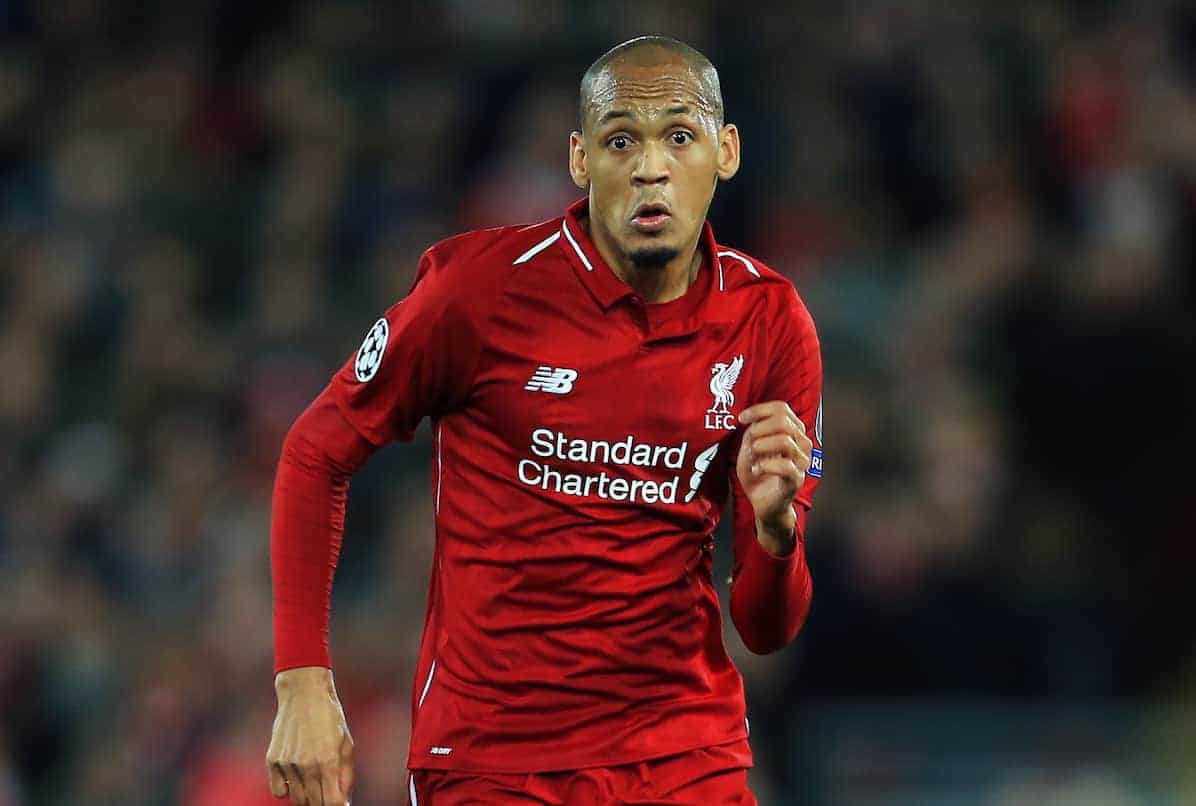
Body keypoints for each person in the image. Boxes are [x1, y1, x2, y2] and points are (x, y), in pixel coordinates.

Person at [266, 35, 824, 806]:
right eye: (621, 138)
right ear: (580, 158)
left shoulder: (770, 321)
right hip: (493, 762)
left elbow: (768, 627)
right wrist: (302, 684)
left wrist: (775, 536)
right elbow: (315, 452)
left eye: (680, 136)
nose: (650, 167)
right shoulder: (478, 293)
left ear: (724, 152)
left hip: (682, 752)